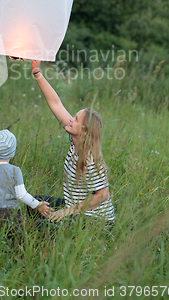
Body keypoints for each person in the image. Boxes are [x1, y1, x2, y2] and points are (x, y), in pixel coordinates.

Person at [30, 60, 115, 229]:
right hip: (75, 210)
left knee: (43, 226)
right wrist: (37, 73)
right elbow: (55, 103)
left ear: (84, 131)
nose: (70, 119)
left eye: (75, 119)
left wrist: (64, 212)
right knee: (34, 203)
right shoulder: (75, 140)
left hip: (96, 220)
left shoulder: (91, 159)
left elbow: (103, 195)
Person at [0, 129, 50, 242]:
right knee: (17, 246)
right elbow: (21, 195)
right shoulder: (15, 170)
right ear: (12, 152)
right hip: (12, 216)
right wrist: (37, 204)